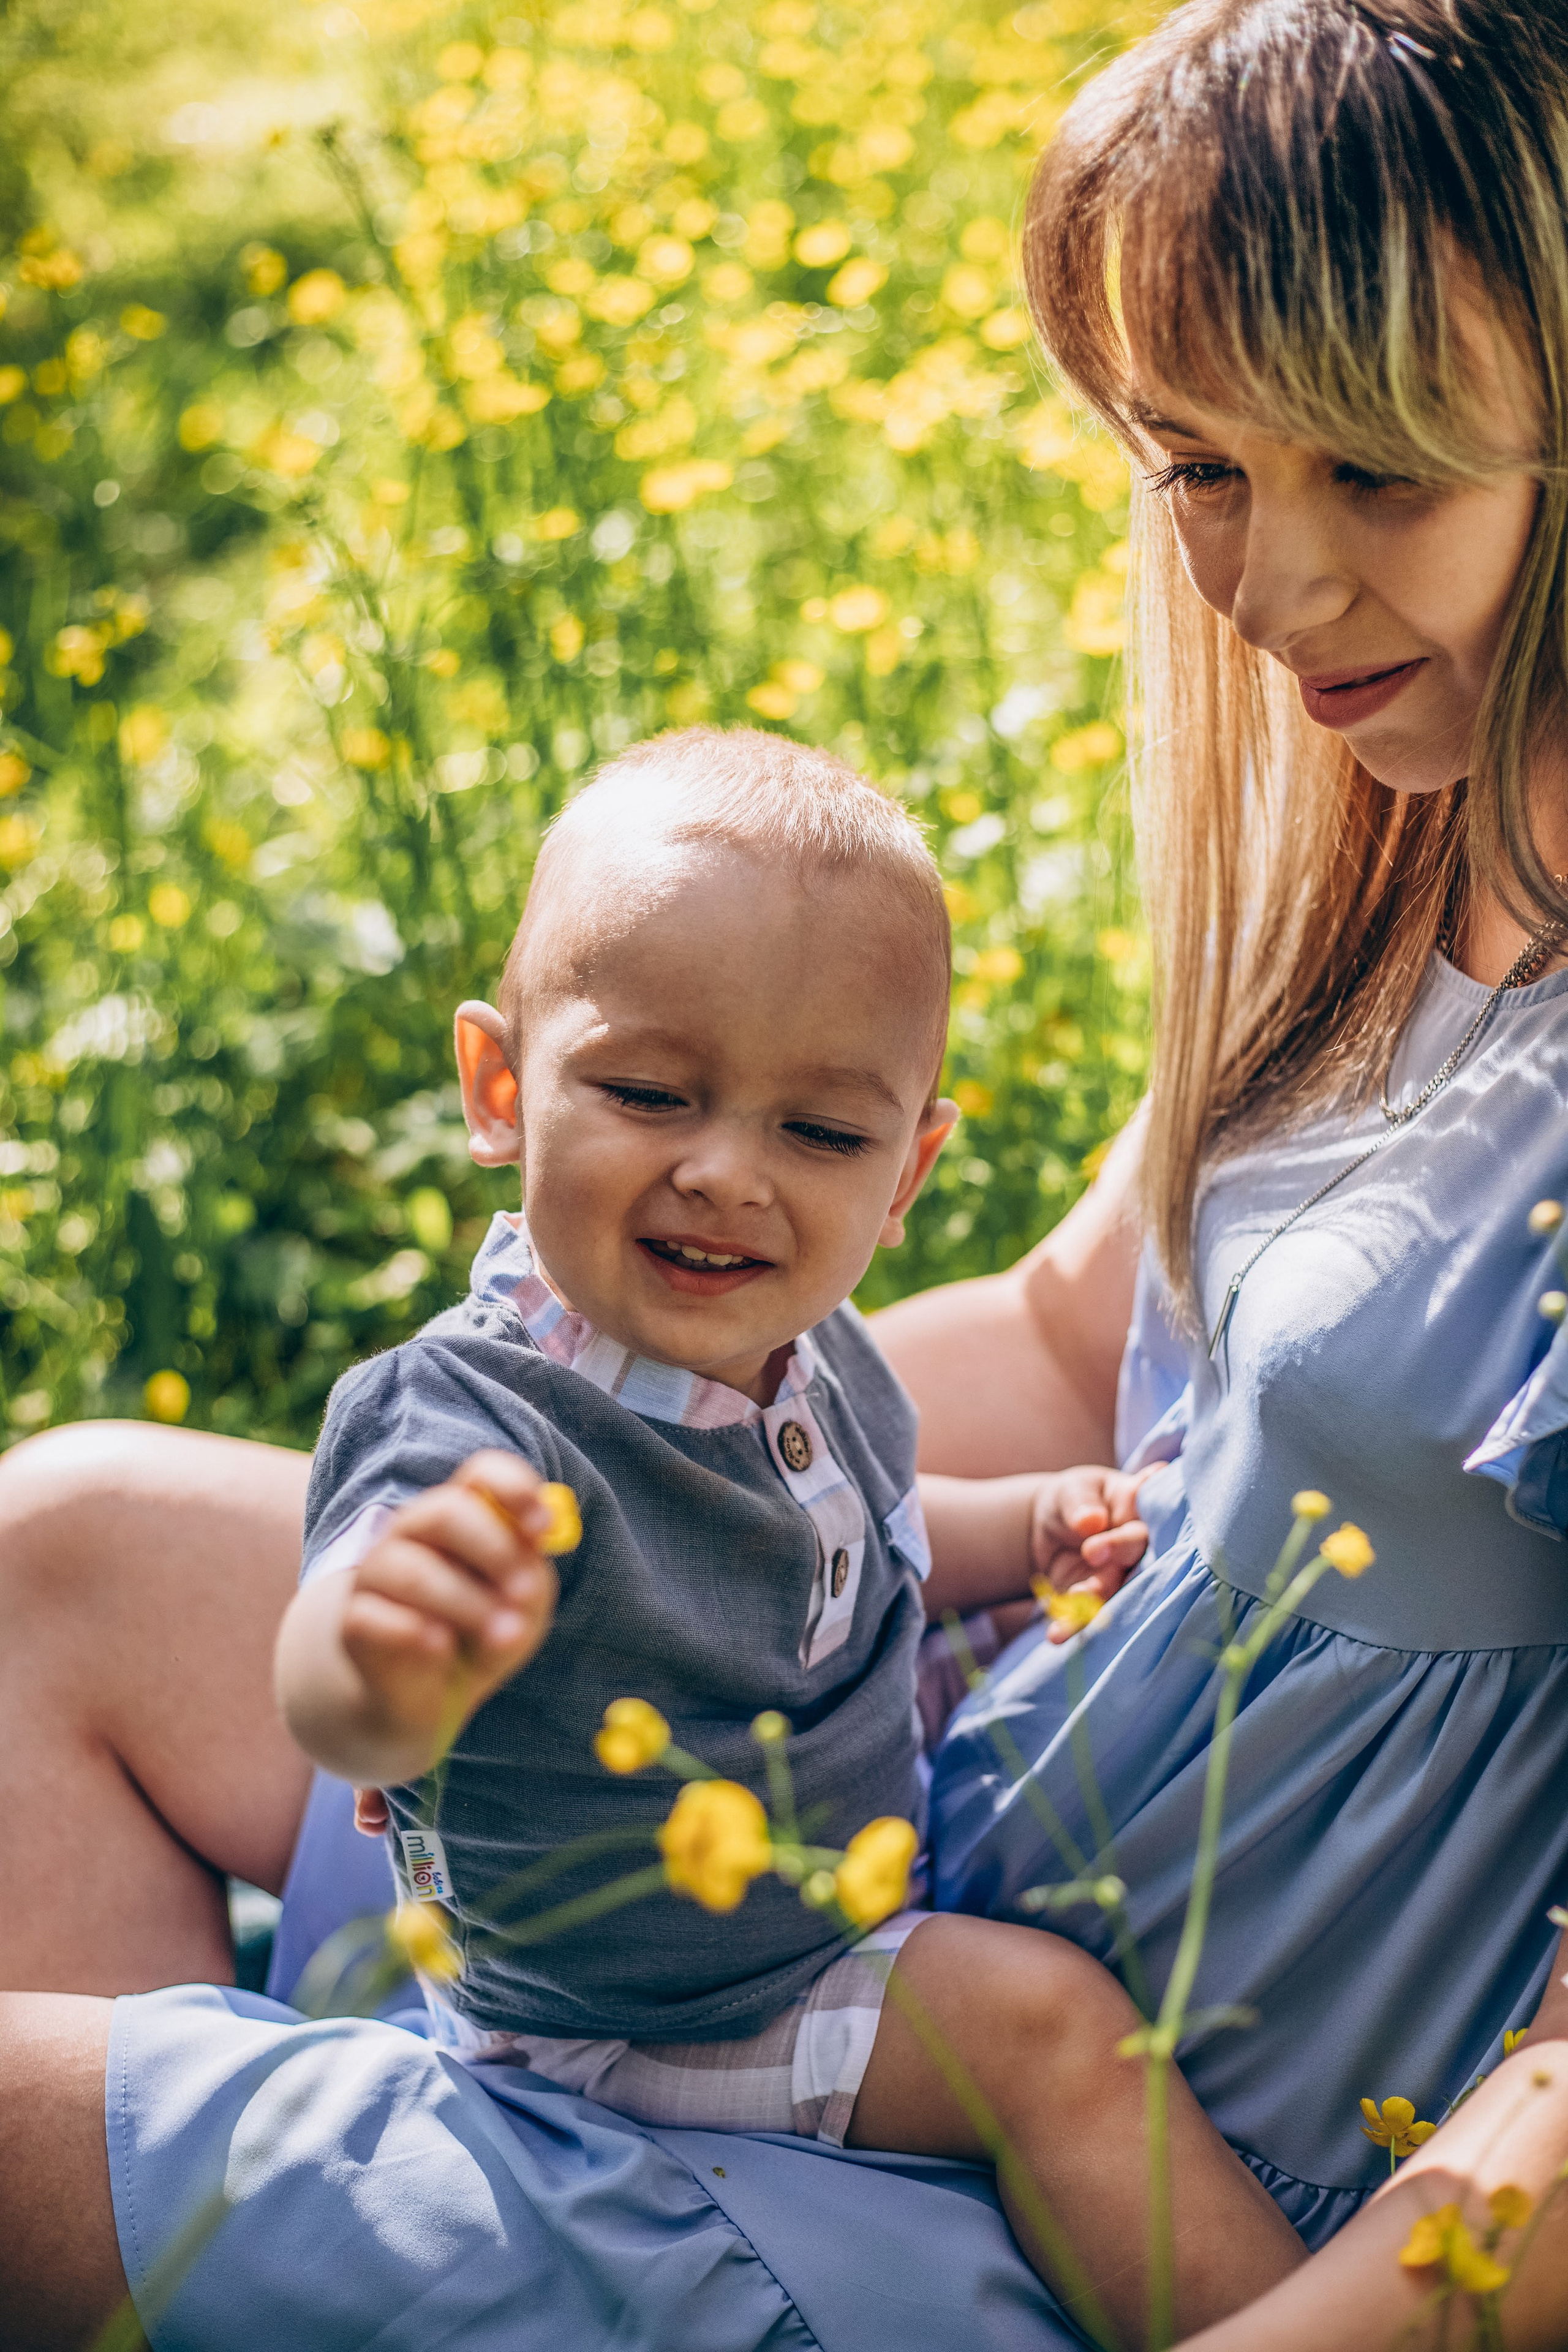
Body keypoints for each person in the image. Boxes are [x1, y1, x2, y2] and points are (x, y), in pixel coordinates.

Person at [5, 0, 1568, 2345]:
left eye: (1374, 476)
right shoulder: (1404, 872)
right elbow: (1061, 1339)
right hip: (880, 1840)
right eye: (1197, 473)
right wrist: (577, 1423)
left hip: (1121, 2145)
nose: (1266, 594)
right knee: (72, 1552)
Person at [273, 724, 1299, 2342]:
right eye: (647, 1092)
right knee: (1046, 2031)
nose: (727, 1175)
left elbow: (875, 1540)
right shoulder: (471, 1419)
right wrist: (391, 1653)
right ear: (497, 1086)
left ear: (909, 1174)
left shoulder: (813, 1359)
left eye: (820, 1135)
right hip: (637, 2016)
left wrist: (1026, 1527)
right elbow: (339, 1687)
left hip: (802, 1886)